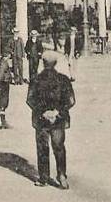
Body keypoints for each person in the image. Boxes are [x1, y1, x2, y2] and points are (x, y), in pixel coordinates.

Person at [26, 51, 76, 189]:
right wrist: (57, 112)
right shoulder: (64, 79)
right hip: (58, 120)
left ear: (43, 63)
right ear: (55, 63)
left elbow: (30, 99)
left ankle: (43, 177)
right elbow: (71, 100)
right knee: (59, 147)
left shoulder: (35, 80)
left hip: (41, 119)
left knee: (42, 147)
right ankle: (62, 176)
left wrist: (43, 112)